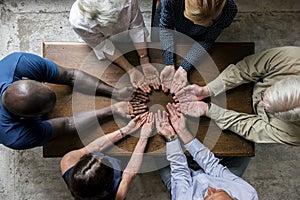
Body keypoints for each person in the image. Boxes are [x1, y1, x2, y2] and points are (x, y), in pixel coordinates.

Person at [0, 52, 148, 150]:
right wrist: (112, 110)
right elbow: (67, 124)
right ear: (25, 118)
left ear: (26, 79)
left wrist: (115, 92)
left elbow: (71, 76)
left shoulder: (18, 63)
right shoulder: (14, 135)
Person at [174, 46, 300, 145]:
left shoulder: (294, 134)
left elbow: (251, 128)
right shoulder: (293, 58)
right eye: (265, 93)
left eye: (269, 109)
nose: (261, 103)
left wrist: (209, 110)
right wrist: (207, 90)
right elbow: (245, 69)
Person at [155, 104, 258, 200]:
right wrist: (182, 131)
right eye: (218, 190)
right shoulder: (247, 194)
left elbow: (180, 173)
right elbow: (213, 166)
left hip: (184, 183)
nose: (209, 189)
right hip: (217, 177)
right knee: (245, 146)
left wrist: (171, 136)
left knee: (155, 154)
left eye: (208, 197)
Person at [69, 0, 160, 93]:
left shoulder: (128, 1)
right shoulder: (78, 21)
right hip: (99, 41)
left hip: (126, 38)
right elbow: (104, 46)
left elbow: (137, 29)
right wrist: (130, 70)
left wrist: (144, 59)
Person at [60, 112, 154, 200]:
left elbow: (95, 147)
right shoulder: (118, 195)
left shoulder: (67, 161)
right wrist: (144, 137)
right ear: (110, 182)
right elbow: (129, 174)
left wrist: (126, 130)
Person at [156, 0, 237, 94]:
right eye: (192, 19)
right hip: (171, 25)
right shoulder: (170, 2)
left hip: (200, 37)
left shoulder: (229, 10)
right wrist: (169, 64)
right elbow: (166, 28)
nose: (194, 24)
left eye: (204, 22)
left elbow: (207, 39)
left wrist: (184, 68)